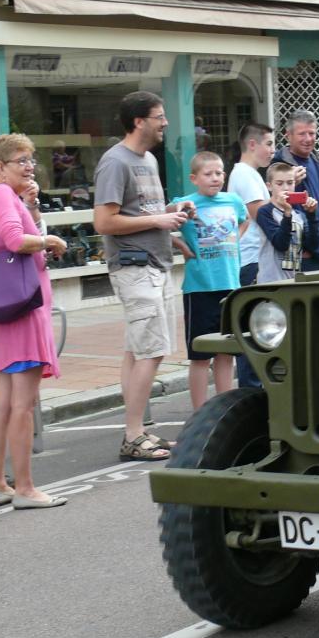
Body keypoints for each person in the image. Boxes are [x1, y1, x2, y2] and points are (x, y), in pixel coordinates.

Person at [93, 91, 195, 461]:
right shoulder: (114, 162)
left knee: (138, 352)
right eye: (159, 116)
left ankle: (138, 429)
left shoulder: (148, 160)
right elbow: (104, 221)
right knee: (151, 352)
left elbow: (141, 212)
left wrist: (171, 219)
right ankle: (133, 434)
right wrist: (159, 221)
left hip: (154, 264)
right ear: (139, 121)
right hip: (134, 267)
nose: (165, 122)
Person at [0, 134, 68, 509]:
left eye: (31, 160)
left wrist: (30, 209)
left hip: (5, 309)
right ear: (0, 166)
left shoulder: (4, 197)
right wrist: (50, 241)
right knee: (22, 403)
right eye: (21, 161)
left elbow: (8, 237)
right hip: (23, 310)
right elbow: (16, 242)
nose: (29, 167)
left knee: (1, 401)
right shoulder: (0, 194)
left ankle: (0, 484)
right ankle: (26, 489)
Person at [179, 152, 248, 409]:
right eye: (208, 174)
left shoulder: (233, 201)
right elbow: (161, 222)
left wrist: (234, 238)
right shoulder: (186, 203)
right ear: (194, 178)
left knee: (226, 353)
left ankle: (223, 408)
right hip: (199, 288)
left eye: (219, 173)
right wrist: (178, 242)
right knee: (200, 355)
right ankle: (199, 411)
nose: (215, 178)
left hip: (230, 287)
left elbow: (245, 220)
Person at [230, 122, 276, 389]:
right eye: (268, 144)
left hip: (254, 259)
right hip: (250, 261)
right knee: (252, 329)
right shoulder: (245, 175)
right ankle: (251, 390)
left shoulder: (250, 174)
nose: (272, 150)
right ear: (252, 144)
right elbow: (262, 214)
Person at [273, 110, 319, 271]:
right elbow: (274, 207)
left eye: (312, 133)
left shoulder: (315, 159)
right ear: (288, 135)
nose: (308, 139)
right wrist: (289, 181)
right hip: (304, 256)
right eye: (302, 134)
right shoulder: (279, 165)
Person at [256, 162, 319, 282]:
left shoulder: (298, 215)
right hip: (270, 282)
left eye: (290, 183)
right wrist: (287, 213)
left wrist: (312, 215)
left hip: (293, 281)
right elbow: (281, 244)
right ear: (269, 186)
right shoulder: (265, 212)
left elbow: (313, 246)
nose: (286, 188)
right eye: (279, 183)